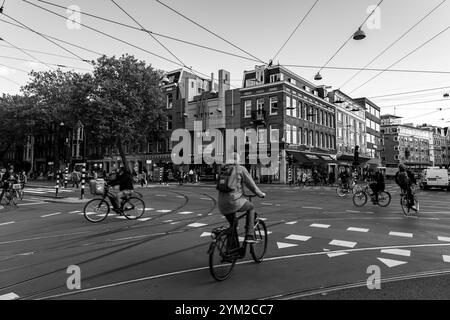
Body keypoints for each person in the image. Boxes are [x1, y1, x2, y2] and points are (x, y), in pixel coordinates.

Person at [217, 153, 266, 243]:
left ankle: (231, 250)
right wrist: (260, 194)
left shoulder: (223, 169)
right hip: (233, 201)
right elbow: (251, 185)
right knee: (251, 207)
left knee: (233, 224)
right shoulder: (240, 169)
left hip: (221, 203)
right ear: (238, 160)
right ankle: (249, 235)